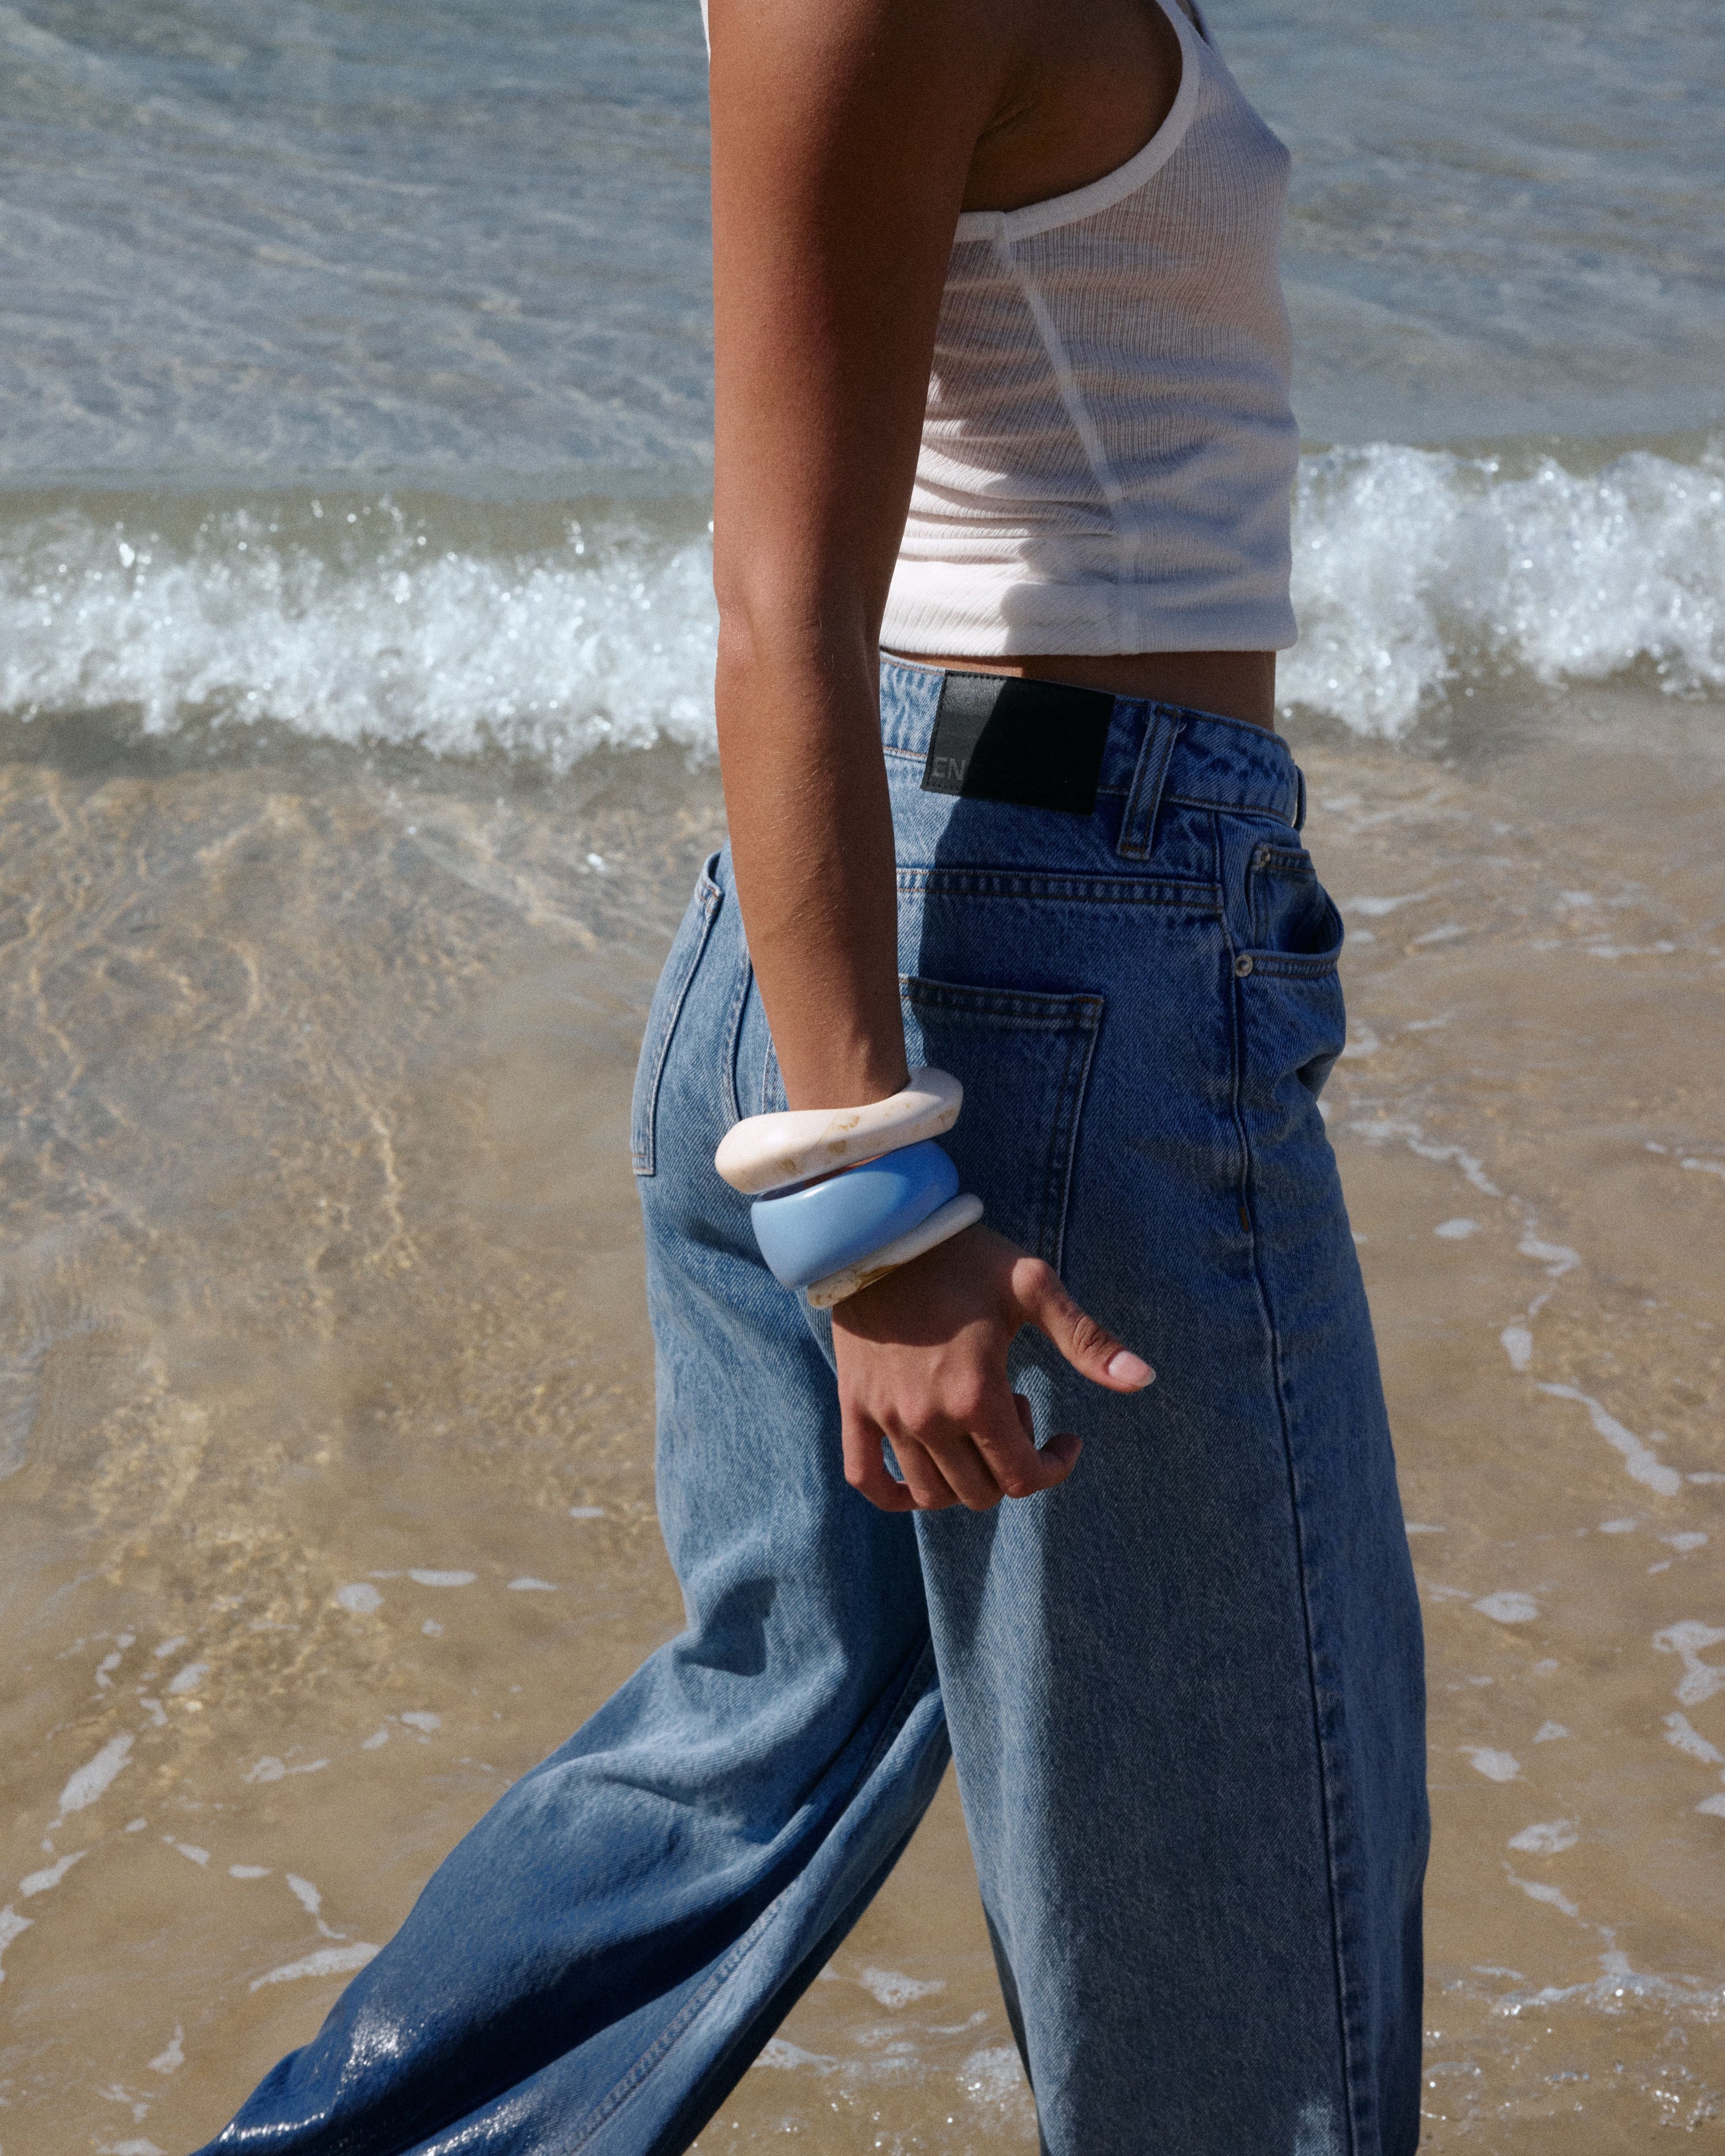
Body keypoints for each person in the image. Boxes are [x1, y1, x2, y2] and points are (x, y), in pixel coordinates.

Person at [193, 0, 1427, 2148]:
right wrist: (873, 1199)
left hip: (947, 940)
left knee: (749, 1757)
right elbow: (780, 604)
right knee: (1249, 1979)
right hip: (1026, 988)